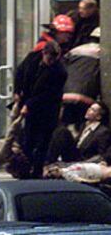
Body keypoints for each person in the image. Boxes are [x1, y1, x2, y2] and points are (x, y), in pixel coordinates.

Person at [16, 41, 67, 178]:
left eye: (54, 59)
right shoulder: (32, 59)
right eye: (49, 58)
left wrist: (29, 104)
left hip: (47, 110)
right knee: (28, 140)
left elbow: (47, 94)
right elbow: (20, 72)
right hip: (29, 106)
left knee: (43, 142)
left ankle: (37, 171)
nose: (51, 62)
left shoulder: (59, 72)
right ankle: (25, 170)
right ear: (43, 54)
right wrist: (17, 91)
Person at [47, 102, 111, 164]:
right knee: (58, 130)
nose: (88, 110)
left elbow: (101, 155)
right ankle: (48, 160)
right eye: (89, 108)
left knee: (62, 132)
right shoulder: (84, 126)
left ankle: (48, 161)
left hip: (83, 160)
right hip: (75, 155)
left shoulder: (103, 132)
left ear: (98, 117)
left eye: (92, 110)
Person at [61, 27, 101, 127]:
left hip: (65, 95)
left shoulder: (76, 50)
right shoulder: (103, 53)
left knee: (66, 125)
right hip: (86, 98)